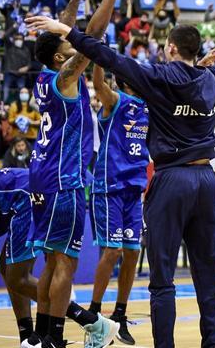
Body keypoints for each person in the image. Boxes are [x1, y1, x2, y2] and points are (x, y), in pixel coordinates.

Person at [26, 0, 215, 348]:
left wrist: (68, 31)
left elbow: (109, 58)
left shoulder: (158, 78)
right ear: (197, 52)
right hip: (205, 180)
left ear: (172, 48)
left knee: (162, 278)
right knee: (207, 278)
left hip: (170, 180)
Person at [25, 0, 124, 348]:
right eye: (69, 45)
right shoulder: (67, 77)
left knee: (52, 260)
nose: (74, 41)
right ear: (60, 58)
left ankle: (45, 336)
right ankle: (54, 337)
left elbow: (64, 33)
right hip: (63, 181)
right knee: (65, 262)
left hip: (42, 177)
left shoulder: (47, 76)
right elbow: (92, 40)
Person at [0, 168, 115, 348]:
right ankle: (27, 337)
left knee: (17, 277)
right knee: (6, 269)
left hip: (28, 195)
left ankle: (94, 323)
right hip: (21, 195)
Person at [86, 65, 149, 345]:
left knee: (133, 252)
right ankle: (93, 316)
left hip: (134, 188)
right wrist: (99, 56)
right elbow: (98, 84)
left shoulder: (148, 106)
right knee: (112, 250)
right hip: (110, 185)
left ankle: (120, 316)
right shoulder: (115, 100)